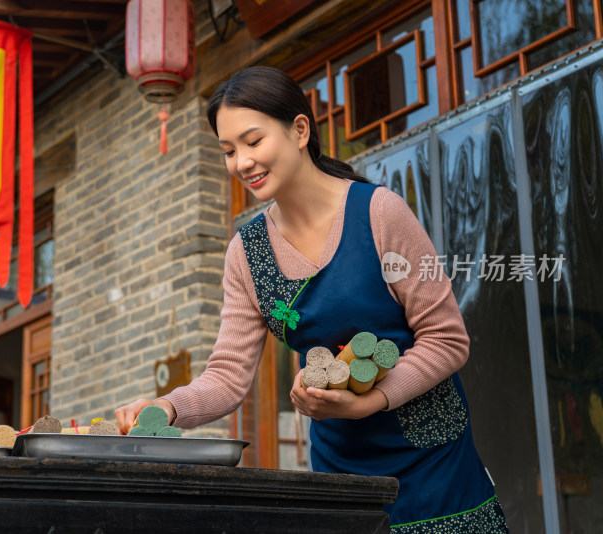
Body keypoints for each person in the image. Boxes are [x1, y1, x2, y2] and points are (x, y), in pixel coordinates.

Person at [115, 66, 508, 532]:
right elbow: (227, 376)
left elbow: (446, 339)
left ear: (300, 130)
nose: (241, 162)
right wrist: (167, 407)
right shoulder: (247, 252)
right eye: (228, 150)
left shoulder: (378, 213)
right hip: (342, 467)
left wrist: (372, 398)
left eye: (253, 141)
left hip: (434, 462)